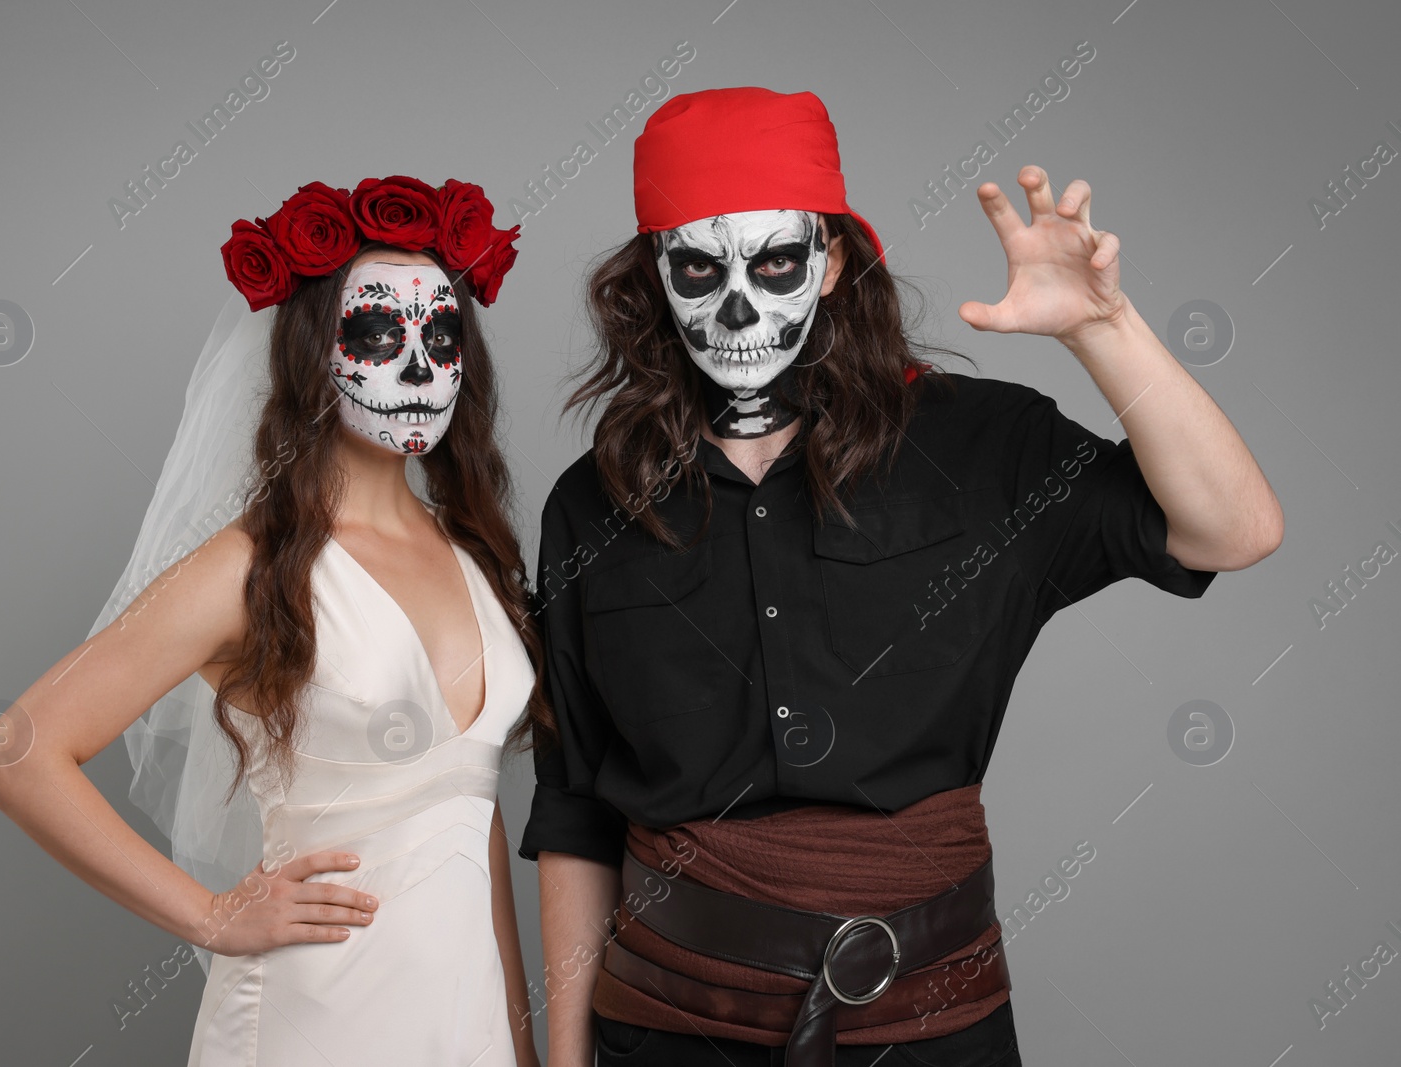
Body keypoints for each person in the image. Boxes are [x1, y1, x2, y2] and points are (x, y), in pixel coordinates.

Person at [518, 87, 1283, 1066]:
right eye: (700, 268)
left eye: (778, 261)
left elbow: (1236, 528)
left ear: (832, 261)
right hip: (668, 1027)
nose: (738, 304)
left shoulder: (983, 446)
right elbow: (577, 807)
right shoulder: (594, 503)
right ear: (654, 279)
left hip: (929, 1025)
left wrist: (1102, 327)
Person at [0, 175, 543, 1066]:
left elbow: (473, 826)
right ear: (316, 352)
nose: (419, 366)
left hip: (462, 1026)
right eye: (380, 333)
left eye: (442, 332)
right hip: (307, 1020)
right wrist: (211, 916)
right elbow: (15, 753)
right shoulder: (250, 565)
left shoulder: (470, 549)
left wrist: (520, 1040)